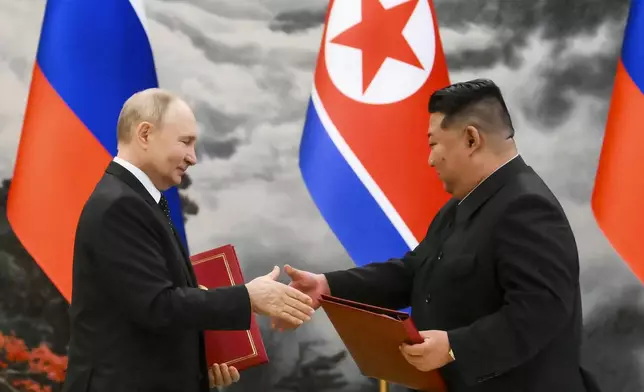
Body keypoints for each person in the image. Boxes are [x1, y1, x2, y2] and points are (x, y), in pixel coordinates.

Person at [274, 79, 602, 392]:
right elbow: (414, 271)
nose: (430, 160)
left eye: (433, 144)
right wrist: (329, 286)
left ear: (471, 139)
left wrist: (455, 347)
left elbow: (541, 312)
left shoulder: (527, 207)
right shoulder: (461, 205)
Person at [62, 88, 315, 392]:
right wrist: (248, 297)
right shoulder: (121, 206)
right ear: (145, 134)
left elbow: (145, 312)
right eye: (185, 142)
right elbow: (158, 305)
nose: (193, 158)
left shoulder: (135, 200)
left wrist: (198, 369)